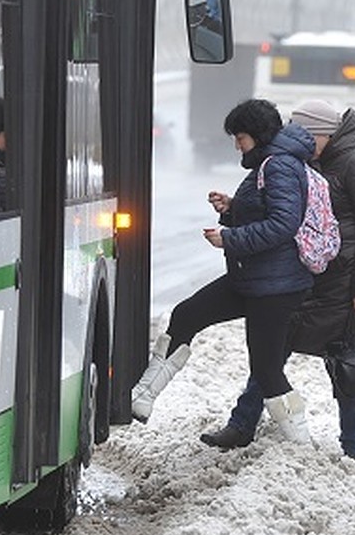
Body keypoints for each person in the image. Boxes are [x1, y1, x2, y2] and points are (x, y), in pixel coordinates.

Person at [199, 99, 355, 460]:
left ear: (323, 134)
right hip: (311, 274)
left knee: (348, 363)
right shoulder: (313, 160)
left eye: (304, 133)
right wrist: (236, 208)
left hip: (347, 284)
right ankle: (242, 424)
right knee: (272, 349)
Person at [130, 99, 316, 441]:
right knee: (186, 314)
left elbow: (283, 224)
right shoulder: (267, 163)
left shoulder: (279, 166)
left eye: (240, 137)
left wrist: (230, 238)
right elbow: (266, 212)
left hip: (276, 286)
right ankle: (142, 396)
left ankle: (300, 442)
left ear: (258, 136)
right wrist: (232, 209)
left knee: (266, 369)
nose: (236, 145)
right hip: (253, 278)